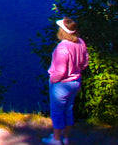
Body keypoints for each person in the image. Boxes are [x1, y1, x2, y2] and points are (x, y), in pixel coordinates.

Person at [43, 17, 89, 145]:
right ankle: (65, 137)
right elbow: (85, 62)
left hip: (61, 85)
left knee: (57, 112)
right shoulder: (80, 42)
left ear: (62, 31)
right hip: (75, 82)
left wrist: (52, 80)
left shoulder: (62, 48)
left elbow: (60, 71)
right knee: (68, 110)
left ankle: (56, 140)